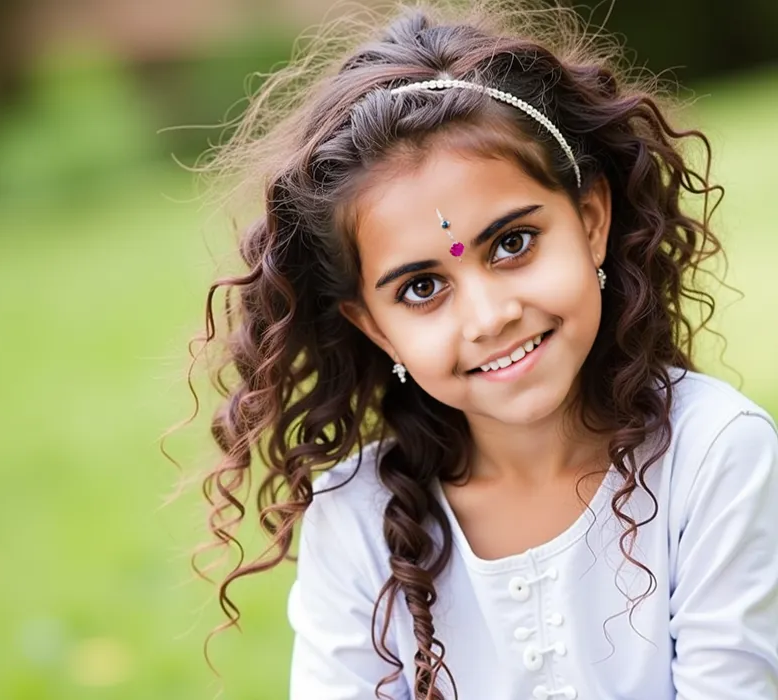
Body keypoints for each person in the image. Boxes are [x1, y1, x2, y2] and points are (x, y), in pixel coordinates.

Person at [180, 1, 778, 698]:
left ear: (590, 221)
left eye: (513, 244)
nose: (490, 316)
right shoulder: (355, 516)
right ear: (373, 325)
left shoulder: (713, 454)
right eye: (423, 286)